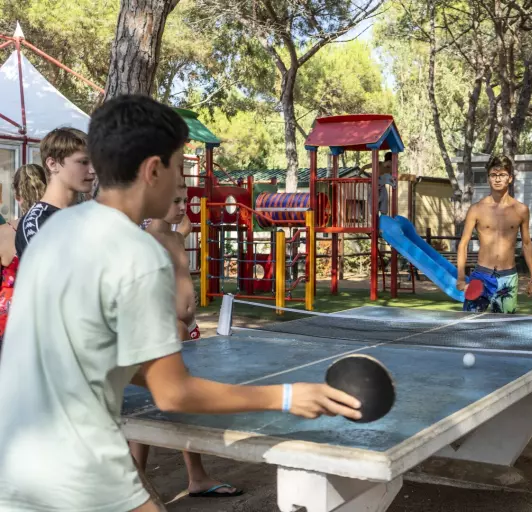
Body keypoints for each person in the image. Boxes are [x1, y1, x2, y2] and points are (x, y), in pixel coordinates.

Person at [0, 95, 361, 512]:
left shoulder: (58, 230)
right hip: (76, 469)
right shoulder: (137, 252)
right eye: (177, 168)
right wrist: (286, 397)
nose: (179, 185)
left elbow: (75, 351)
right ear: (154, 170)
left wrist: (149, 372)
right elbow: (173, 395)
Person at [132, 173, 241, 498]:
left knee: (171, 403)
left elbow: (182, 237)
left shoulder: (174, 236)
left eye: (185, 201)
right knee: (164, 402)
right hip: (166, 329)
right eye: (176, 202)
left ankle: (193, 476)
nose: (183, 208)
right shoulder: (145, 241)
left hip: (186, 327)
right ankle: (140, 483)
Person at [456, 155, 532, 313]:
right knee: (468, 323)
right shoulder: (476, 209)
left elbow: (527, 244)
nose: (498, 179)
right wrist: (460, 277)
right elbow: (463, 244)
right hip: (481, 276)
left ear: (510, 178)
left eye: (502, 175)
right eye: (493, 175)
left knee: (504, 326)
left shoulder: (521, 210)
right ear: (488, 178)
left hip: (508, 278)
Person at [15, 127, 94, 258]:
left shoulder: (88, 214)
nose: (92, 170)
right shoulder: (37, 223)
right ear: (52, 164)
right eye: (83, 162)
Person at [0, 164, 48, 346]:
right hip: (42, 317)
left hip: (7, 319)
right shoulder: (57, 227)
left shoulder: (4, 232)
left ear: (17, 196)